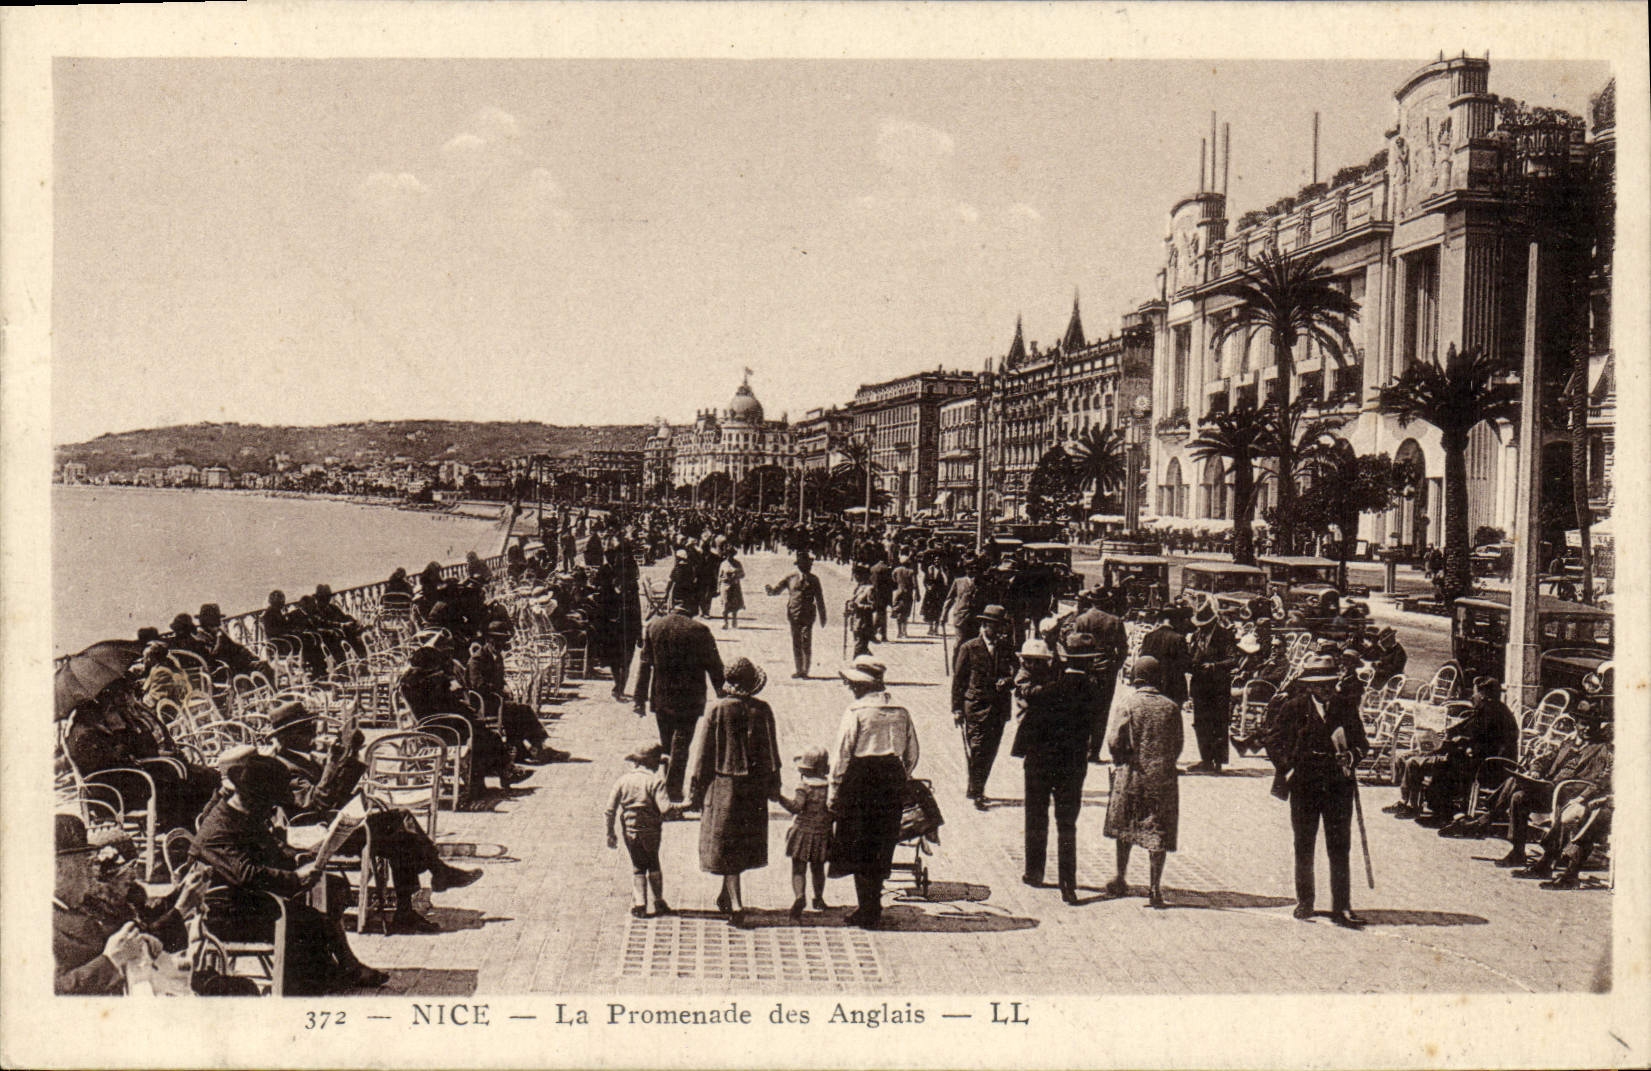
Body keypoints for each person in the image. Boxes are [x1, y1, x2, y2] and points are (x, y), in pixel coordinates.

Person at [267, 701, 481, 934]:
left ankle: (427, 887)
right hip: (315, 835)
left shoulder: (301, 759)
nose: (313, 732)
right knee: (402, 835)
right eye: (306, 728)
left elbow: (337, 794)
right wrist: (333, 763)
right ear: (288, 736)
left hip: (333, 824)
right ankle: (429, 884)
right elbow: (315, 803)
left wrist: (351, 757)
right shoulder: (281, 767)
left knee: (401, 824)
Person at [189, 748, 389, 993]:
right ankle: (306, 984)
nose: (273, 811)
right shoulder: (219, 829)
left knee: (331, 890)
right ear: (254, 798)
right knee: (308, 922)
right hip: (222, 912)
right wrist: (295, 878)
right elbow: (248, 874)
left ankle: (333, 970)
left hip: (245, 899)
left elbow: (273, 851)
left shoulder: (245, 815)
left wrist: (300, 860)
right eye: (271, 804)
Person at [1264, 655, 1370, 928]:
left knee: (1339, 847)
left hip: (1338, 785)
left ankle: (1342, 906)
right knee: (1304, 845)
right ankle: (1305, 901)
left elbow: (1362, 743)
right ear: (1309, 686)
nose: (1325, 688)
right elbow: (1273, 741)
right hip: (1305, 785)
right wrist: (1288, 769)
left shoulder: (1346, 707)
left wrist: (1352, 757)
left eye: (1329, 683)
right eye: (1319, 684)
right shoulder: (1294, 707)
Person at [53, 813, 204, 995]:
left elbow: (147, 919)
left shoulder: (117, 898)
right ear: (59, 869)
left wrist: (180, 895)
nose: (90, 871)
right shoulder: (81, 911)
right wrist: (111, 959)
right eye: (85, 864)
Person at [686, 658, 781, 922]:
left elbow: (702, 756)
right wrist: (774, 787)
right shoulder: (763, 710)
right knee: (739, 844)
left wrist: (694, 793)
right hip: (753, 788)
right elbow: (773, 753)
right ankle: (728, 897)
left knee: (727, 845)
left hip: (722, 786)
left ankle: (736, 905)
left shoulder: (716, 710)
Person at [829, 657, 920, 929]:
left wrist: (834, 790)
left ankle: (868, 909)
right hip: (891, 780)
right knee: (882, 842)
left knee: (859, 843)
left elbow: (842, 755)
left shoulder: (856, 712)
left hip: (861, 780)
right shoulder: (901, 712)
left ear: (860, 685)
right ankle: (873, 905)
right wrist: (900, 774)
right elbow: (912, 753)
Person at [1012, 633, 1099, 904]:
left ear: (1064, 658)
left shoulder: (1048, 690)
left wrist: (1023, 749)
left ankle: (1034, 872)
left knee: (1036, 816)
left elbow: (1029, 722)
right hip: (1073, 765)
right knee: (1067, 824)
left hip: (1039, 762)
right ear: (1090, 663)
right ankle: (1068, 885)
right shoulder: (1094, 692)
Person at [1102, 655, 1185, 909]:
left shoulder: (1127, 703)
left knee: (1125, 826)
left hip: (1132, 775)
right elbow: (1178, 743)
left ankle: (1120, 877)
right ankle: (1154, 887)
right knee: (1157, 830)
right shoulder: (1171, 707)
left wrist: (1120, 760)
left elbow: (1115, 740)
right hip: (1162, 777)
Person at [634, 594, 726, 803]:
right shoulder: (699, 630)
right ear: (692, 607)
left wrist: (639, 699)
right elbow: (714, 666)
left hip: (661, 697)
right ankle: (673, 791)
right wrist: (723, 694)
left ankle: (665, 786)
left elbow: (644, 666)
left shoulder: (654, 627)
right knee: (682, 745)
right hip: (690, 699)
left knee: (667, 744)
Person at [951, 605, 1018, 809]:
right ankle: (977, 791)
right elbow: (959, 681)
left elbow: (1018, 673)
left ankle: (977, 787)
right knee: (978, 748)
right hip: (975, 707)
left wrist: (1008, 681)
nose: (998, 631)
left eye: (1001, 627)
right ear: (985, 625)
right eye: (994, 626)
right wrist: (956, 709)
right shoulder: (969, 647)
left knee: (990, 750)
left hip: (998, 708)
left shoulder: (1006, 647)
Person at [605, 744, 676, 918]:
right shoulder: (656, 781)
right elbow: (665, 808)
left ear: (636, 762)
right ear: (654, 764)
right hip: (651, 830)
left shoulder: (623, 780)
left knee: (637, 867)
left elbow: (609, 809)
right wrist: (683, 806)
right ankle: (658, 901)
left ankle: (640, 904)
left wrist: (610, 832)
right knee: (653, 863)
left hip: (630, 830)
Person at [1186, 598, 1240, 773]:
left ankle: (1217, 761)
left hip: (1217, 687)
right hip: (1200, 686)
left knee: (1218, 723)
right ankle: (1205, 759)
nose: (1201, 627)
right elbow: (1191, 655)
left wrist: (1215, 666)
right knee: (1201, 723)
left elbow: (1233, 659)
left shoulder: (1224, 636)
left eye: (1205, 624)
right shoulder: (1196, 635)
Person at [779, 746, 833, 919]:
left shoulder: (803, 787)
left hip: (803, 833)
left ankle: (799, 896)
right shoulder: (827, 787)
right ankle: (818, 898)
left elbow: (796, 807)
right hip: (822, 833)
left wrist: (780, 798)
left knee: (798, 868)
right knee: (818, 869)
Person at [766, 551, 828, 678]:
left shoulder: (814, 579)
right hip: (793, 613)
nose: (807, 566)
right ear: (799, 565)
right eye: (803, 564)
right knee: (796, 642)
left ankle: (805, 670)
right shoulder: (790, 577)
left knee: (806, 640)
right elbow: (777, 590)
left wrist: (823, 615)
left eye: (808, 564)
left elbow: (820, 598)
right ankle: (799, 669)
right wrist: (770, 591)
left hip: (808, 615)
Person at [1137, 604, 1191, 709]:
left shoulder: (1149, 637)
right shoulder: (1178, 638)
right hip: (1173, 689)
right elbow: (1185, 664)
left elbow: (1143, 661)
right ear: (1174, 619)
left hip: (1152, 686)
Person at [846, 564, 878, 659]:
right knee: (861, 648)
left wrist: (859, 606)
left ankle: (857, 665)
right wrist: (849, 610)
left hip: (864, 624)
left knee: (859, 648)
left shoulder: (870, 589)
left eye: (857, 575)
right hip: (856, 623)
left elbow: (873, 607)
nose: (855, 577)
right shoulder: (858, 588)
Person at [718, 548, 746, 630]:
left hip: (734, 585)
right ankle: (725, 622)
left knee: (734, 604)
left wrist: (736, 575)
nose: (729, 556)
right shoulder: (723, 564)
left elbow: (743, 574)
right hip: (725, 585)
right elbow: (719, 576)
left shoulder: (737, 563)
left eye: (731, 554)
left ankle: (734, 620)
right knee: (725, 604)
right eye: (727, 555)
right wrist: (718, 588)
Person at [890, 555, 917, 639]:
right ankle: (904, 632)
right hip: (908, 594)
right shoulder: (911, 571)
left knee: (898, 612)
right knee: (905, 613)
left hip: (898, 593)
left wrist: (898, 583)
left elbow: (893, 578)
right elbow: (915, 584)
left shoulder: (896, 570)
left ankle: (899, 632)